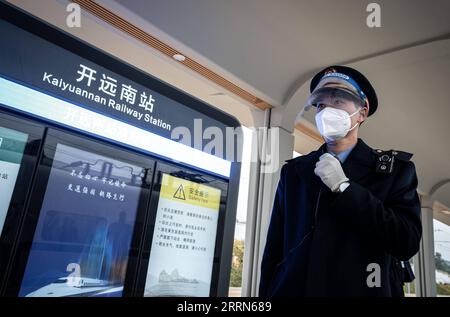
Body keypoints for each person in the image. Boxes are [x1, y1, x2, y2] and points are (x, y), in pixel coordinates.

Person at [259, 65, 422, 297]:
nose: (327, 112)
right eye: (321, 105)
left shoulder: (394, 171)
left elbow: (405, 242)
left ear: (362, 112)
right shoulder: (295, 171)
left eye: (338, 102)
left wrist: (345, 188)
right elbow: (274, 250)